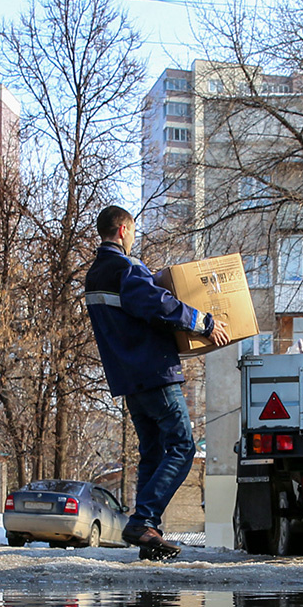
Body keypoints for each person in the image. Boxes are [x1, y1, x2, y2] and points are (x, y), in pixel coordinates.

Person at [83, 205, 231, 561]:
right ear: (122, 231)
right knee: (182, 446)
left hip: (127, 378)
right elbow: (158, 304)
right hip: (153, 372)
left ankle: (149, 534)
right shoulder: (125, 269)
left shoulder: (94, 275)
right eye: (132, 232)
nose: (133, 238)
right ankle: (144, 520)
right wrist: (204, 322)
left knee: (152, 451)